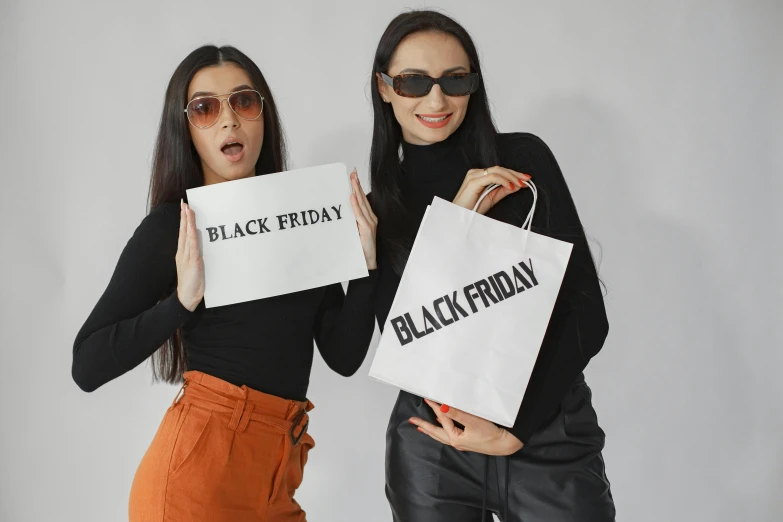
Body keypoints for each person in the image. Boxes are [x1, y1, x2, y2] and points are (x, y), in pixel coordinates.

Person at [71, 44, 379, 522]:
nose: (229, 120)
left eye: (244, 101)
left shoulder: (299, 216)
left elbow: (343, 357)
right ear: (186, 130)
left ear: (263, 116)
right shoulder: (174, 227)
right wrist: (182, 301)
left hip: (279, 474)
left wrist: (364, 268)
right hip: (196, 479)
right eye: (205, 108)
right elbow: (87, 365)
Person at [368, 11, 615, 521]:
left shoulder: (521, 164)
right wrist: (454, 222)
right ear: (385, 88)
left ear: (473, 86)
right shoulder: (379, 210)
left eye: (455, 81)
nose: (436, 100)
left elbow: (587, 315)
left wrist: (516, 428)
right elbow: (411, 341)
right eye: (414, 82)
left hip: (548, 430)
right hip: (433, 443)